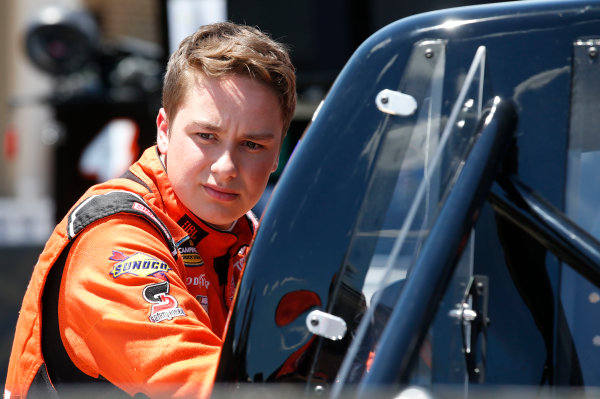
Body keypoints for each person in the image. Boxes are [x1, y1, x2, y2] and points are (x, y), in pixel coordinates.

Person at [5, 21, 296, 399]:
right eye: (206, 136)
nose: (226, 166)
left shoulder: (246, 237)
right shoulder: (115, 238)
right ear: (164, 130)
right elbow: (202, 387)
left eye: (252, 144)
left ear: (278, 154)